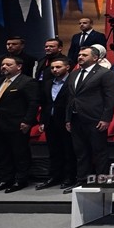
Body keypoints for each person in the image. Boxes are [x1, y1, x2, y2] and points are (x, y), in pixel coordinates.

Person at [0, 56, 39, 193]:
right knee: (2, 153)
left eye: (8, 64)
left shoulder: (27, 81)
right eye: (3, 64)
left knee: (19, 153)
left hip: (17, 124)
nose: (4, 67)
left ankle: (21, 180)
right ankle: (5, 179)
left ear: (19, 67)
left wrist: (27, 121)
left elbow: (33, 103)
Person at [66, 45, 114, 188]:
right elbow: (70, 98)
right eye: (79, 55)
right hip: (76, 118)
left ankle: (102, 181)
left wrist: (106, 118)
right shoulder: (74, 74)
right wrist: (68, 118)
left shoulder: (104, 73)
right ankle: (82, 181)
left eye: (84, 55)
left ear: (95, 58)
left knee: (99, 151)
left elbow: (110, 97)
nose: (80, 57)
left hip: (95, 118)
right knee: (80, 151)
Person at [35, 56, 74, 190]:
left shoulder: (72, 81)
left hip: (66, 121)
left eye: (58, 67)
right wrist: (42, 121)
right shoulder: (47, 83)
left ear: (67, 67)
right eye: (52, 68)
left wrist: (69, 119)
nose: (55, 70)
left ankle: (69, 177)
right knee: (54, 151)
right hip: (50, 121)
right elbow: (45, 103)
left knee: (68, 151)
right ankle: (54, 176)